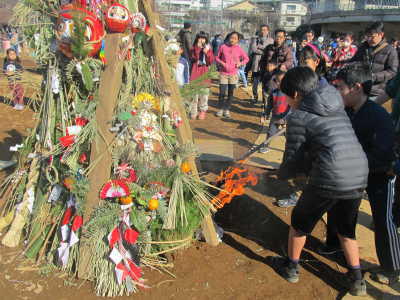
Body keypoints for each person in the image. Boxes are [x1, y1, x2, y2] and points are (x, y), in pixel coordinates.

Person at [269, 66, 368, 296]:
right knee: (346, 228)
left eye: (285, 96)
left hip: (330, 176)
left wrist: (282, 174)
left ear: (294, 94)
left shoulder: (299, 116)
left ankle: (291, 267)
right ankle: (356, 280)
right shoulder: (336, 103)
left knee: (299, 222)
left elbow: (293, 157)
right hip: (358, 172)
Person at [324, 65, 399, 285]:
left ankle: (392, 267)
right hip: (351, 172)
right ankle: (333, 245)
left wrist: (352, 162)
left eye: (340, 88)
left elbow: (382, 155)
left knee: (383, 218)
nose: (336, 92)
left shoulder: (378, 117)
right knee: (338, 207)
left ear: (356, 88)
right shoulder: (344, 111)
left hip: (379, 174)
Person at [350, 22, 398, 101]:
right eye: (367, 36)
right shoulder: (363, 47)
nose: (369, 39)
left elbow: (392, 71)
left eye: (372, 36)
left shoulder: (390, 51)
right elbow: (353, 61)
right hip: (359, 89)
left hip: (376, 92)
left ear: (381, 35)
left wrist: (374, 77)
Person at [215, 31, 249, 118]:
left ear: (238, 40)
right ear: (228, 38)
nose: (232, 40)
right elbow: (216, 57)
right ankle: (220, 109)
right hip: (223, 73)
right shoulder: (223, 47)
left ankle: (227, 109)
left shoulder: (239, 49)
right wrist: (222, 63)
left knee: (230, 93)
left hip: (233, 74)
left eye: (235, 38)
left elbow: (246, 58)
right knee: (222, 92)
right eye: (231, 37)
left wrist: (240, 63)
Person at [259, 29, 293, 114]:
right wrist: (264, 68)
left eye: (281, 37)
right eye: (277, 36)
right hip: (267, 77)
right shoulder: (269, 48)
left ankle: (275, 115)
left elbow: (290, 62)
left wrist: (278, 66)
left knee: (277, 98)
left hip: (279, 79)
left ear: (284, 38)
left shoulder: (287, 49)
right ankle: (265, 113)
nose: (279, 39)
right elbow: (262, 60)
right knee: (266, 96)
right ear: (274, 37)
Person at [259, 70, 289, 153]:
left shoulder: (290, 93)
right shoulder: (274, 92)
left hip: (286, 117)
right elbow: (269, 105)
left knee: (289, 136)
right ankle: (266, 146)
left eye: (281, 81)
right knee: (270, 132)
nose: (278, 83)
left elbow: (292, 108)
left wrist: (287, 119)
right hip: (275, 117)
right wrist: (265, 115)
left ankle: (289, 149)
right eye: (277, 81)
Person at [189, 32, 214, 120]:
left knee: (204, 95)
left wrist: (206, 52)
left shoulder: (208, 48)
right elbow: (193, 58)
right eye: (200, 38)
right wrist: (198, 48)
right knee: (194, 96)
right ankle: (193, 111)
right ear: (197, 39)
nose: (202, 40)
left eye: (203, 39)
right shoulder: (193, 48)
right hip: (195, 73)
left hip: (204, 73)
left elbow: (210, 61)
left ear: (206, 40)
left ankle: (202, 111)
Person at [249, 25, 274, 103]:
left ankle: (264, 100)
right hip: (256, 63)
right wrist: (264, 50)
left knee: (265, 83)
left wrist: (260, 47)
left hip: (266, 64)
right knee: (255, 82)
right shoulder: (255, 39)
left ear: (268, 31)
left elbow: (271, 50)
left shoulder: (271, 40)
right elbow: (253, 49)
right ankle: (255, 97)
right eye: (262, 30)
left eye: (265, 30)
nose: (263, 31)